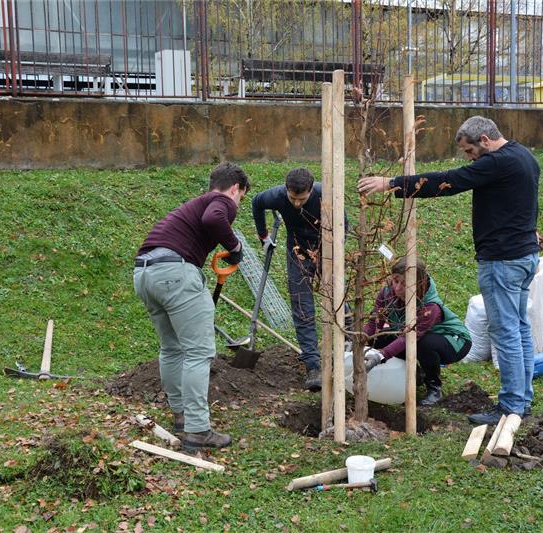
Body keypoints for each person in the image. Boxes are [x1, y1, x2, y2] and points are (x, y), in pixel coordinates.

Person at [358, 116, 540, 425]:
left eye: (470, 151)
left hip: (502, 259)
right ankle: (522, 399)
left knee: (506, 332)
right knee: (520, 329)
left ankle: (510, 406)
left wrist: (391, 183)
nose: (469, 158)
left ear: (484, 140)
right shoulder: (524, 156)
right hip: (524, 256)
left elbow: (449, 181)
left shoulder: (496, 162)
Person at [133, 162, 249, 451]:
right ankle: (197, 430)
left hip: (145, 273)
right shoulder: (221, 201)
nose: (238, 203)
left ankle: (181, 416)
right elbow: (214, 219)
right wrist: (234, 248)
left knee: (172, 348)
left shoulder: (195, 203)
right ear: (235, 188)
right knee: (197, 353)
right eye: (241, 197)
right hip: (175, 272)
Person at [252, 168, 348, 391]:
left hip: (326, 249)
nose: (296, 203)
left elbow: (343, 226)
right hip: (297, 253)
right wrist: (263, 235)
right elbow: (257, 203)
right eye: (292, 198)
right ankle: (313, 367)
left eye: (301, 199)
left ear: (310, 190)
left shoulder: (327, 195)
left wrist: (334, 254)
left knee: (338, 299)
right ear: (286, 190)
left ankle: (350, 350)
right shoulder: (276, 196)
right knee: (302, 307)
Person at [363, 257, 471, 406]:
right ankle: (416, 374)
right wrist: (359, 339)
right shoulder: (387, 292)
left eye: (405, 284)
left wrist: (381, 355)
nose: (398, 288)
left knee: (423, 344)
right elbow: (375, 324)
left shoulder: (430, 308)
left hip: (453, 340)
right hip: (412, 336)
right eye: (395, 281)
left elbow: (409, 337)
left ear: (418, 284)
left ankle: (434, 388)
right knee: (380, 338)